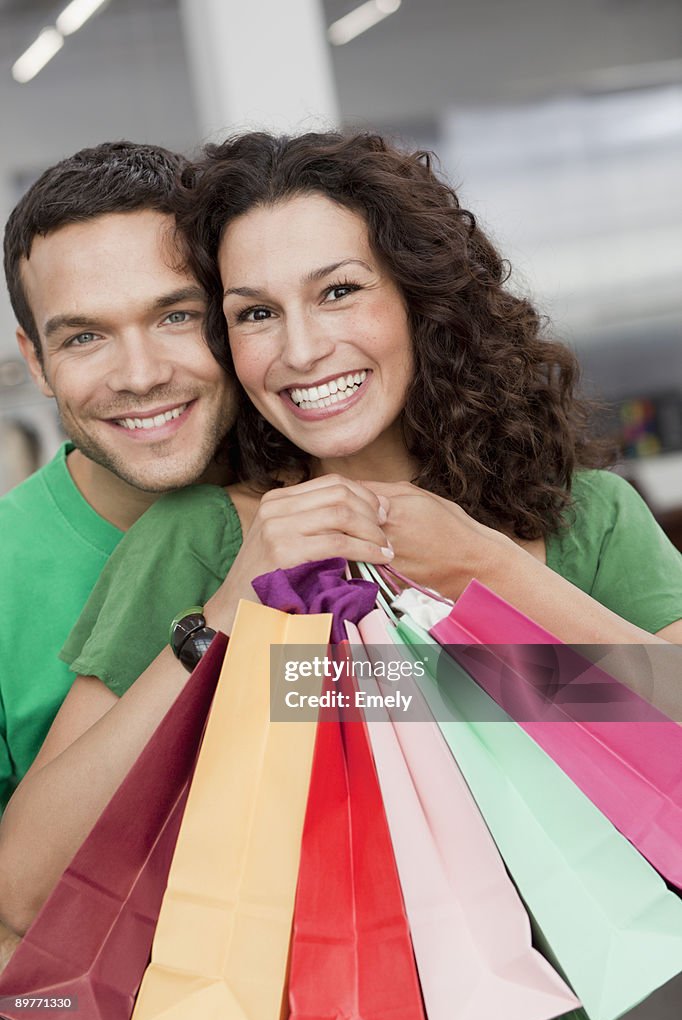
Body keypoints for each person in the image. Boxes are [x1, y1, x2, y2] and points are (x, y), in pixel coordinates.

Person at [1, 131, 681, 939]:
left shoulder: (586, 514)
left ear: (419, 297)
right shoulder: (206, 537)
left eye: (338, 292)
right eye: (256, 313)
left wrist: (484, 565)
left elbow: (662, 727)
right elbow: (28, 888)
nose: (301, 348)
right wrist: (226, 615)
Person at [0, 141, 236, 816]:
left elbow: (551, 695)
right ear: (37, 362)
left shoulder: (327, 505)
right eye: (83, 337)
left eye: (176, 316)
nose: (141, 374)